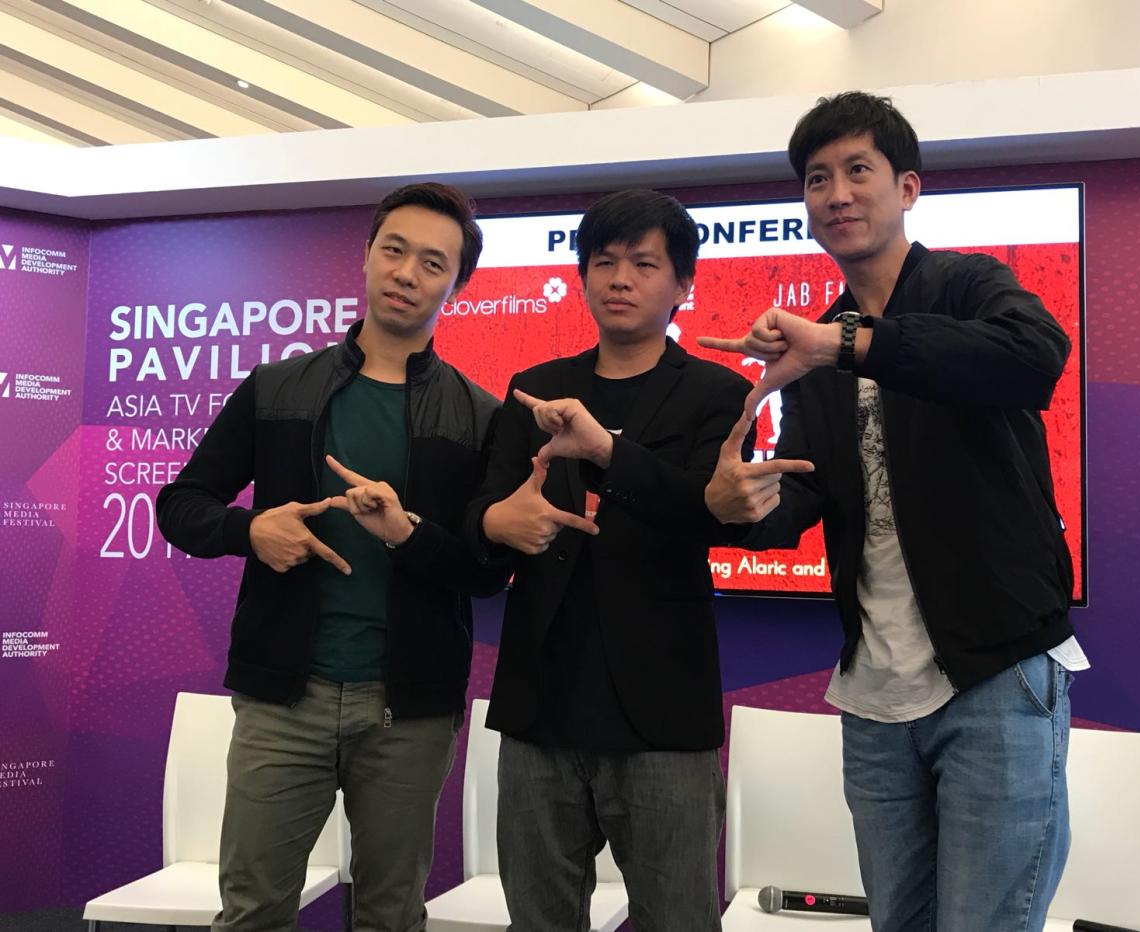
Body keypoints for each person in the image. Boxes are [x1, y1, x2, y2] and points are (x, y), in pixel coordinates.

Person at [700, 91, 1087, 932]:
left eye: (858, 171)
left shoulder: (966, 283)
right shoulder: (821, 340)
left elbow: (1035, 358)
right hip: (874, 695)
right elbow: (806, 489)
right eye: (816, 178)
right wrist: (738, 506)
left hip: (995, 674)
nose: (836, 193)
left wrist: (850, 344)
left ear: (907, 187)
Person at [156, 182, 508, 932]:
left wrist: (407, 533)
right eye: (394, 249)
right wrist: (250, 531)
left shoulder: (481, 417)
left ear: (458, 283)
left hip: (407, 710)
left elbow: (487, 571)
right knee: (252, 913)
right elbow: (181, 506)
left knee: (389, 917)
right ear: (367, 255)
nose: (407, 272)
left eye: (432, 262)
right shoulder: (279, 388)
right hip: (283, 699)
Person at [466, 189, 804, 932]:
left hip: (661, 712)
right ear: (583, 276)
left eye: (644, 264)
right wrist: (496, 521)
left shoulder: (720, 395)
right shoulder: (538, 389)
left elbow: (710, 511)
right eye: (604, 262)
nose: (620, 278)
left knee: (678, 918)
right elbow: (479, 527)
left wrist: (606, 452)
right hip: (539, 709)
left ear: (683, 284)